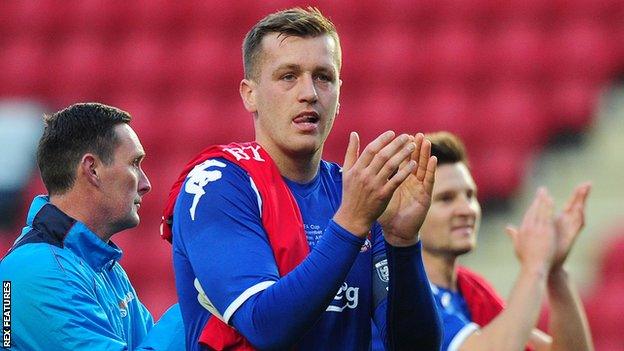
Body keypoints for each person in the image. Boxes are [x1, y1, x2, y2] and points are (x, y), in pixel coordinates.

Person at [162, 7, 441, 351]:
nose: (308, 92)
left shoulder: (353, 193)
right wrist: (351, 223)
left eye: (323, 76)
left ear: (339, 95)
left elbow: (415, 345)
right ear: (250, 94)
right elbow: (265, 326)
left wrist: (402, 242)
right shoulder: (219, 185)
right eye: (288, 76)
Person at [0, 103, 184, 350]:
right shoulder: (38, 272)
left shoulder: (101, 267)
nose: (145, 183)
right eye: (134, 163)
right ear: (92, 169)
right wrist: (200, 302)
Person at [407, 131, 594, 351]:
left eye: (470, 195)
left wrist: (556, 271)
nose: (467, 209)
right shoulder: (404, 293)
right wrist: (535, 266)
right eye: (446, 199)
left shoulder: (471, 289)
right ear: (410, 209)